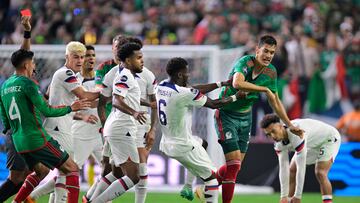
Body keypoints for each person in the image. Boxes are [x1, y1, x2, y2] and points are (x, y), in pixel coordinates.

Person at [214, 35, 303, 203]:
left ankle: (209, 182)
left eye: (272, 52)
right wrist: (264, 89)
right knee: (233, 165)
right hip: (226, 115)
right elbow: (237, 83)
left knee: (235, 167)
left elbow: (275, 102)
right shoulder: (245, 63)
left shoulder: (271, 72)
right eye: (265, 51)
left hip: (246, 118)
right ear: (257, 50)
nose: (268, 56)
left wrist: (289, 125)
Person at [0, 46, 90, 203]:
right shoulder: (29, 84)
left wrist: (14, 130)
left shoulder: (5, 86)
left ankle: (17, 202)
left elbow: (4, 118)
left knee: (40, 171)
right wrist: (71, 108)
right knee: (72, 169)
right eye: (33, 62)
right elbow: (47, 110)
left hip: (18, 141)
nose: (34, 66)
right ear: (27, 65)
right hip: (36, 138)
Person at [156, 57, 246, 203]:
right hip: (183, 145)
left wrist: (221, 84)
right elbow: (215, 104)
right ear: (179, 74)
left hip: (167, 143)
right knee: (211, 178)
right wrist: (236, 97)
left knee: (202, 143)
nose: (188, 75)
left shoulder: (162, 86)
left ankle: (187, 186)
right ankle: (193, 188)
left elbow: (192, 90)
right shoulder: (184, 94)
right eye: (186, 73)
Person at [29, 41, 99, 203]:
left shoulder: (68, 75)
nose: (82, 60)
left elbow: (49, 97)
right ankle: (31, 197)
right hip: (60, 127)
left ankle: (30, 197)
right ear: (67, 57)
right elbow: (85, 96)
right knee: (69, 170)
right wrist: (108, 92)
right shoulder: (67, 74)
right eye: (77, 57)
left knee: (56, 171)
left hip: (65, 126)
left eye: (84, 57)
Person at [90, 42, 146, 202]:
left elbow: (113, 98)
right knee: (134, 177)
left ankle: (90, 198)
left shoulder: (125, 74)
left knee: (117, 173)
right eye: (139, 58)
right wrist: (134, 112)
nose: (142, 61)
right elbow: (116, 100)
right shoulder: (124, 75)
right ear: (128, 60)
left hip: (117, 127)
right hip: (122, 128)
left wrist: (147, 104)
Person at [260, 114, 341, 203]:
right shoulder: (278, 144)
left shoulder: (296, 133)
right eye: (269, 134)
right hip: (312, 144)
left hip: (329, 139)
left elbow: (301, 167)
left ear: (280, 126)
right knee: (291, 169)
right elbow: (283, 168)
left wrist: (298, 196)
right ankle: (289, 200)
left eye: (273, 131)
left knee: (320, 172)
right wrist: (283, 197)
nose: (273, 136)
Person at [0, 15, 32, 202]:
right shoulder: (21, 80)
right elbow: (24, 53)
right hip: (17, 133)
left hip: (19, 133)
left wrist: (27, 32)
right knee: (16, 179)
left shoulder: (12, 82)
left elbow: (24, 54)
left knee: (29, 175)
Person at [71, 45, 103, 175]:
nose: (91, 58)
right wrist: (83, 117)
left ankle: (90, 196)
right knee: (71, 171)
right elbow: (69, 109)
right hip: (81, 133)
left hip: (97, 134)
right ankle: (35, 194)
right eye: (87, 56)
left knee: (110, 171)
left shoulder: (101, 79)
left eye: (93, 55)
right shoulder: (75, 81)